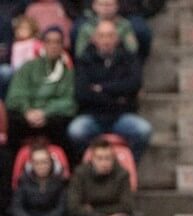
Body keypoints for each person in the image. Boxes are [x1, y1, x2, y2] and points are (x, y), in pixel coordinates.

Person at [69, 20, 153, 161]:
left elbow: (133, 84)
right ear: (94, 38)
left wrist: (101, 88)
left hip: (121, 116)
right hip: (93, 116)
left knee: (144, 130)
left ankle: (124, 167)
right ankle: (91, 166)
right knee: (75, 132)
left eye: (110, 35)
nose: (106, 40)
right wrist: (117, 97)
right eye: (102, 36)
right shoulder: (84, 60)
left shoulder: (129, 58)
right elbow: (82, 93)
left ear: (117, 38)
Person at [4, 26, 75, 150]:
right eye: (49, 42)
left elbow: (70, 101)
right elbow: (14, 96)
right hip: (27, 114)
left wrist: (45, 112)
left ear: (62, 46)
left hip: (52, 117)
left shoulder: (68, 72)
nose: (53, 46)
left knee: (64, 123)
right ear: (43, 44)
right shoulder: (28, 67)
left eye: (57, 42)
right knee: (12, 121)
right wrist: (27, 110)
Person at [67, 137, 134, 216]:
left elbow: (126, 206)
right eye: (100, 158)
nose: (104, 163)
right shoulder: (80, 173)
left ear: (113, 159)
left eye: (108, 158)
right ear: (92, 159)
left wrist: (91, 209)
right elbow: (73, 206)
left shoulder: (122, 174)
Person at [9, 145, 69, 216]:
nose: (41, 166)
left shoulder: (60, 182)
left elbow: (61, 208)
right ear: (31, 164)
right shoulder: (23, 181)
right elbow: (17, 207)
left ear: (51, 163)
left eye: (44, 162)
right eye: (37, 163)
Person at [74, 0, 140, 58]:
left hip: (119, 63)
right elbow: (79, 53)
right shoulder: (87, 27)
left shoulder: (125, 25)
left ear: (117, 6)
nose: (105, 8)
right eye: (101, 4)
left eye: (109, 5)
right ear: (94, 6)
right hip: (93, 64)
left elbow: (133, 50)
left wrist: (118, 42)